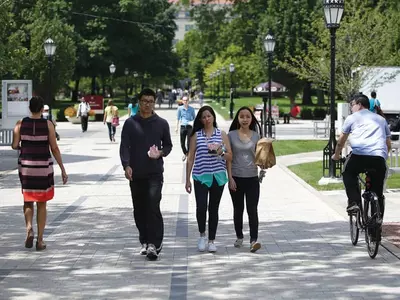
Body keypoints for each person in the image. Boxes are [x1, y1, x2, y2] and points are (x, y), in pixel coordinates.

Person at [120, 88, 173, 261]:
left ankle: (154, 244)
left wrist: (160, 153)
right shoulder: (130, 123)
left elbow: (168, 145)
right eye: (144, 101)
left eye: (151, 101)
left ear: (155, 102)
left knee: (153, 206)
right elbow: (124, 146)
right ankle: (144, 240)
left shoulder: (162, 123)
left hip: (155, 173)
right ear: (139, 102)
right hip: (136, 174)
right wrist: (126, 165)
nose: (147, 104)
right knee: (139, 210)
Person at [11, 96, 68, 251]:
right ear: (42, 109)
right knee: (41, 203)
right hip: (43, 168)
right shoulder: (48, 125)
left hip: (26, 167)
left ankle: (29, 228)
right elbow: (54, 148)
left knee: (28, 199)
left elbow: (15, 145)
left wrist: (25, 144)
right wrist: (63, 169)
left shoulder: (20, 124)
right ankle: (40, 240)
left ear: (30, 108)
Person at [332, 94, 390, 222]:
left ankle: (354, 203)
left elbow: (342, 140)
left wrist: (336, 155)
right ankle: (376, 226)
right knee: (378, 191)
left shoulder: (352, 118)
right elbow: (388, 143)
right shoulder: (381, 119)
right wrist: (383, 156)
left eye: (352, 105)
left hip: (359, 156)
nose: (351, 108)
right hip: (378, 159)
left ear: (359, 104)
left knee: (348, 173)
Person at [185, 106, 232, 253]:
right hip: (200, 175)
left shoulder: (222, 134)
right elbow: (190, 158)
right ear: (200, 119)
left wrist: (221, 153)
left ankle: (212, 240)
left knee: (213, 208)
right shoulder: (196, 136)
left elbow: (230, 156)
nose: (207, 119)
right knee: (201, 207)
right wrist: (187, 179)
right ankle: (202, 236)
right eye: (204, 117)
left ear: (213, 117)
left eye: (209, 116)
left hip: (218, 176)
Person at [227, 107, 262, 253]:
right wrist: (230, 178)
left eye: (248, 116)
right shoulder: (231, 135)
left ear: (252, 119)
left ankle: (253, 240)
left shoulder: (257, 136)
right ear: (238, 119)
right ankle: (239, 236)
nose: (245, 119)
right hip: (236, 177)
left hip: (252, 177)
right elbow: (228, 159)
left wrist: (263, 166)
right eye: (242, 116)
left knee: (252, 210)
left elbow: (261, 157)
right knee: (238, 209)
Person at [176, 96, 196, 161]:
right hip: (183, 127)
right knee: (182, 143)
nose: (185, 101)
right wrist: (176, 127)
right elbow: (178, 118)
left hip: (189, 127)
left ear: (188, 101)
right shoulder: (180, 108)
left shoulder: (192, 109)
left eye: (186, 100)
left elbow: (194, 119)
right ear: (182, 101)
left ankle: (188, 155)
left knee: (189, 142)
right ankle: (185, 153)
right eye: (184, 100)